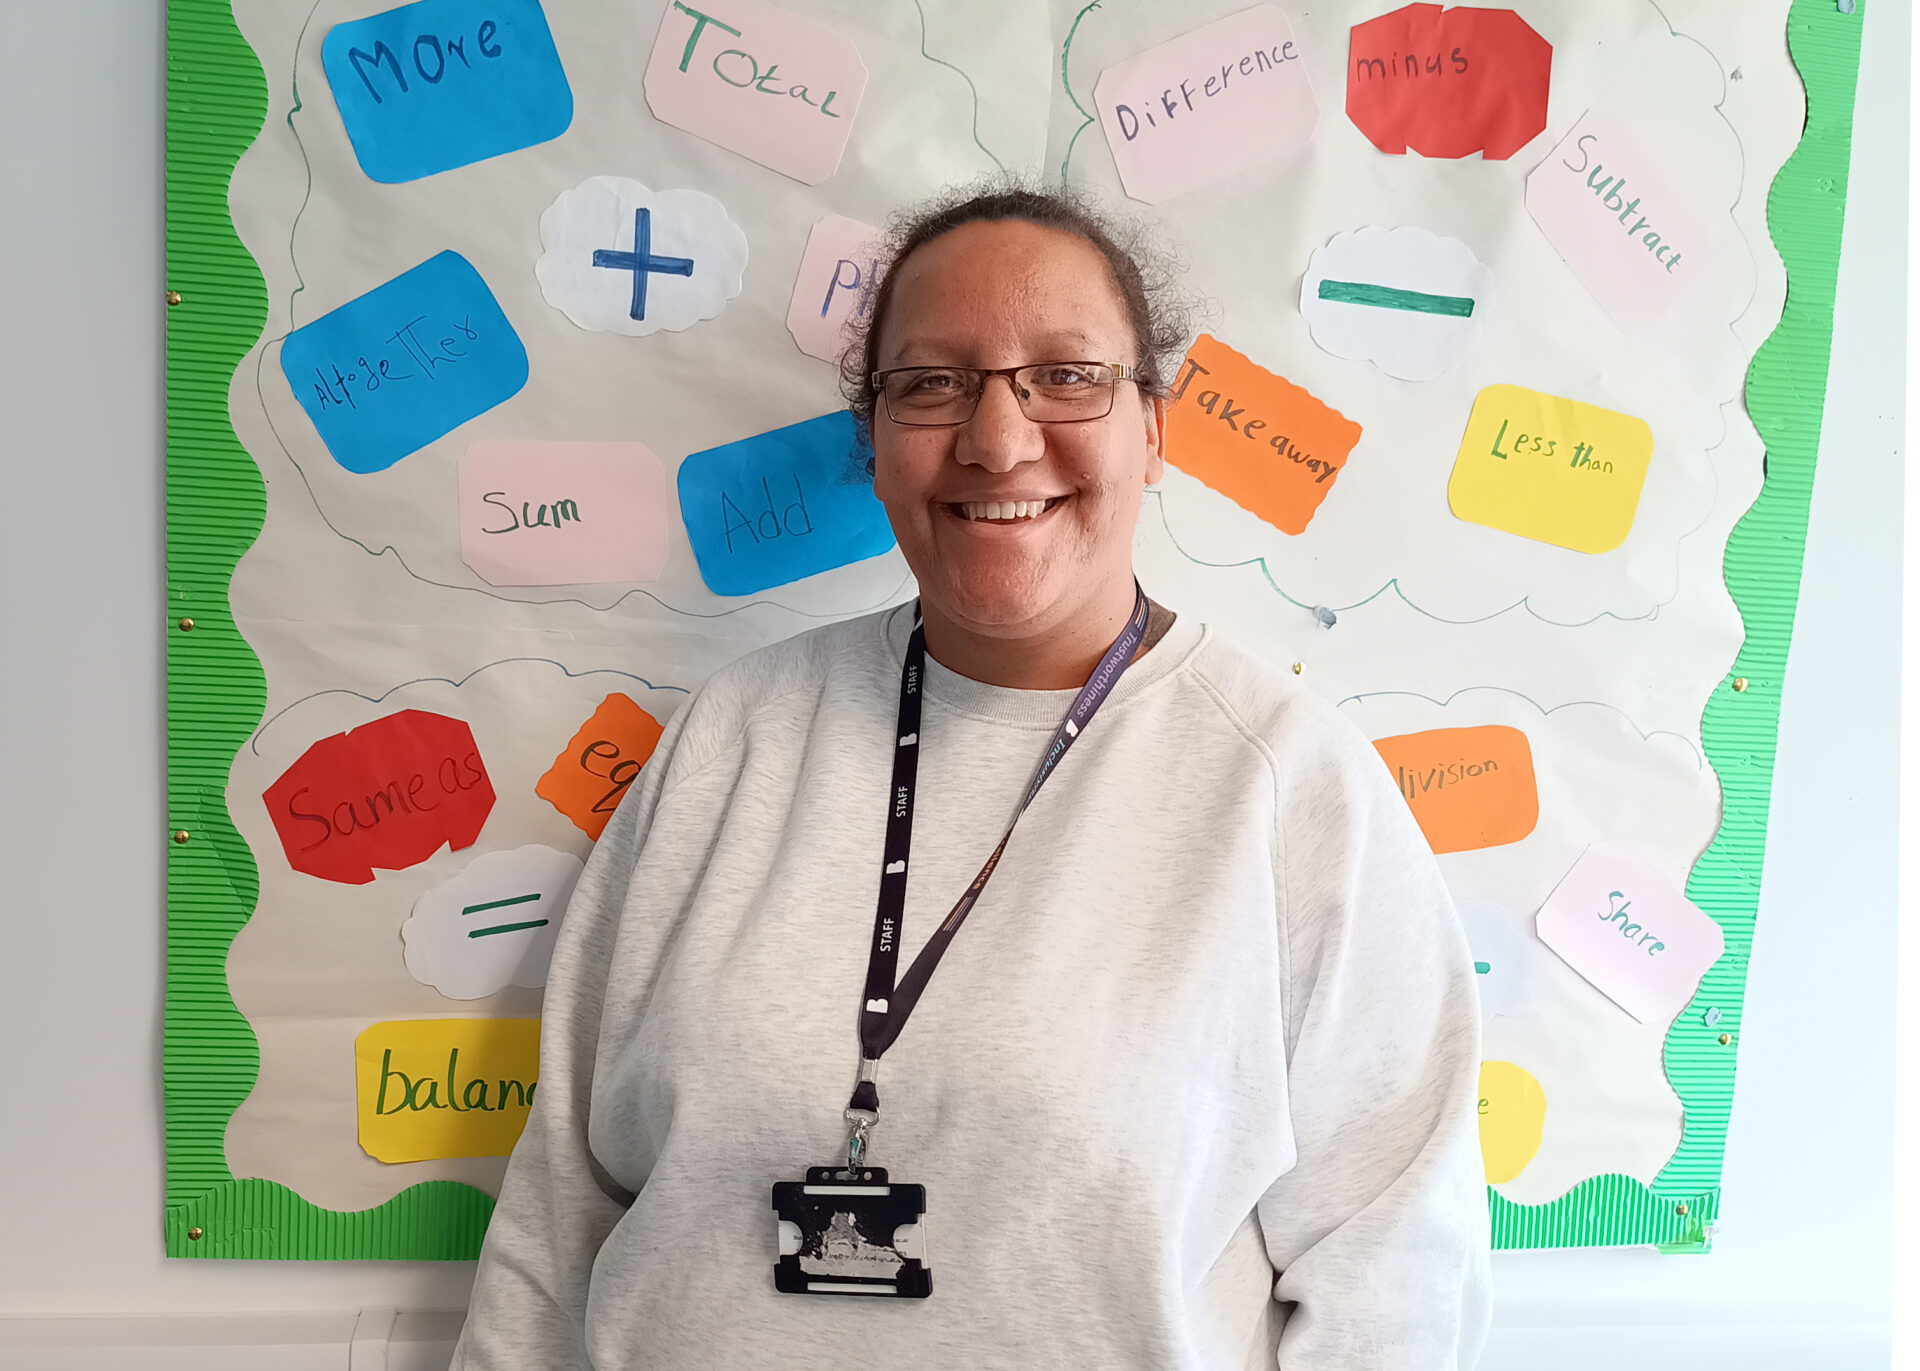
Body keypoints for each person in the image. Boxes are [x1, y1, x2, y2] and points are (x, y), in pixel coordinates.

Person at [451, 183, 1492, 1370]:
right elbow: (560, 1212)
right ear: (877, 444)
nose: (998, 440)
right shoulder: (732, 738)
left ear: (1154, 430)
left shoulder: (1292, 788)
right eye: (933, 383)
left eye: (1067, 375)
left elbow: (1395, 1280)